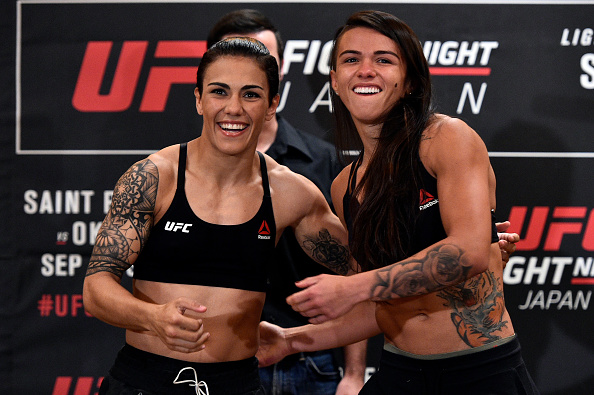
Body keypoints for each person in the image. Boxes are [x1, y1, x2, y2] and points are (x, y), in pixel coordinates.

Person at [256, 10, 538, 395]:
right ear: (336, 83)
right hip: (399, 372)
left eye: (384, 60)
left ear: (408, 81)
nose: (366, 70)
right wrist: (291, 340)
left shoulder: (447, 138)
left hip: (480, 372)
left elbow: (470, 250)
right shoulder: (345, 186)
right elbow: (379, 309)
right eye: (351, 59)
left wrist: (354, 288)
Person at [83, 37, 355, 395]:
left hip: (236, 384)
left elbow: (365, 274)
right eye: (219, 92)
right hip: (143, 382)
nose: (234, 108)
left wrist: (296, 338)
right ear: (198, 99)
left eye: (251, 94)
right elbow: (95, 288)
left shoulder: (292, 194)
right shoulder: (154, 177)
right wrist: (153, 317)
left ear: (272, 104)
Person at [207, 9, 367, 395]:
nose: (251, 68)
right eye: (237, 56)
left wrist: (354, 374)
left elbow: (354, 267)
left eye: (264, 56)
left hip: (312, 358)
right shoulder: (181, 170)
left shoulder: (323, 160)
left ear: (280, 69)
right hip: (218, 359)